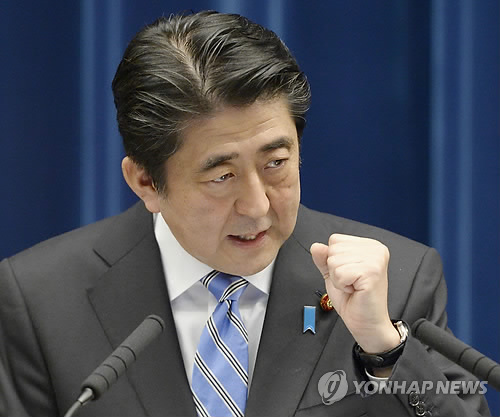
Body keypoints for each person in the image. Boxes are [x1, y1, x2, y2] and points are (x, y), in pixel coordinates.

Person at [0, 10, 491, 417]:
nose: (258, 206)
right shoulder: (41, 301)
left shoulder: (396, 281)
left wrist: (384, 350)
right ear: (146, 182)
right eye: (222, 176)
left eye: (276, 163)